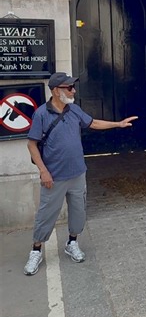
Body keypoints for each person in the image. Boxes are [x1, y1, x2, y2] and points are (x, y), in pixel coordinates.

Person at [24, 72, 138, 275]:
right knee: (46, 215)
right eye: (69, 87)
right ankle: (36, 250)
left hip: (77, 174)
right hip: (54, 177)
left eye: (73, 87)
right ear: (57, 91)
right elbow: (32, 145)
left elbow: (93, 123)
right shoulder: (41, 114)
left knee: (78, 212)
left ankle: (72, 243)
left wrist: (118, 124)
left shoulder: (74, 110)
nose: (73, 90)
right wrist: (43, 171)